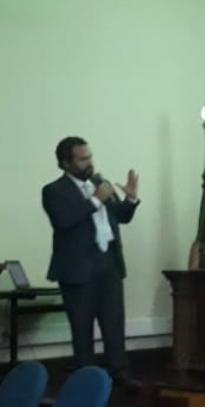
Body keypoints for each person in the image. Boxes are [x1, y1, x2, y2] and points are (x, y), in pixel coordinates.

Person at [42, 136, 140, 387]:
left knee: (114, 324)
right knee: (82, 328)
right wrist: (96, 199)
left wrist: (130, 199)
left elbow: (121, 217)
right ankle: (86, 381)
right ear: (66, 163)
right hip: (77, 270)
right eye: (82, 159)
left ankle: (119, 374)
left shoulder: (100, 184)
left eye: (90, 156)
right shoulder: (54, 191)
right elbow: (64, 221)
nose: (89, 162)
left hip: (109, 264)